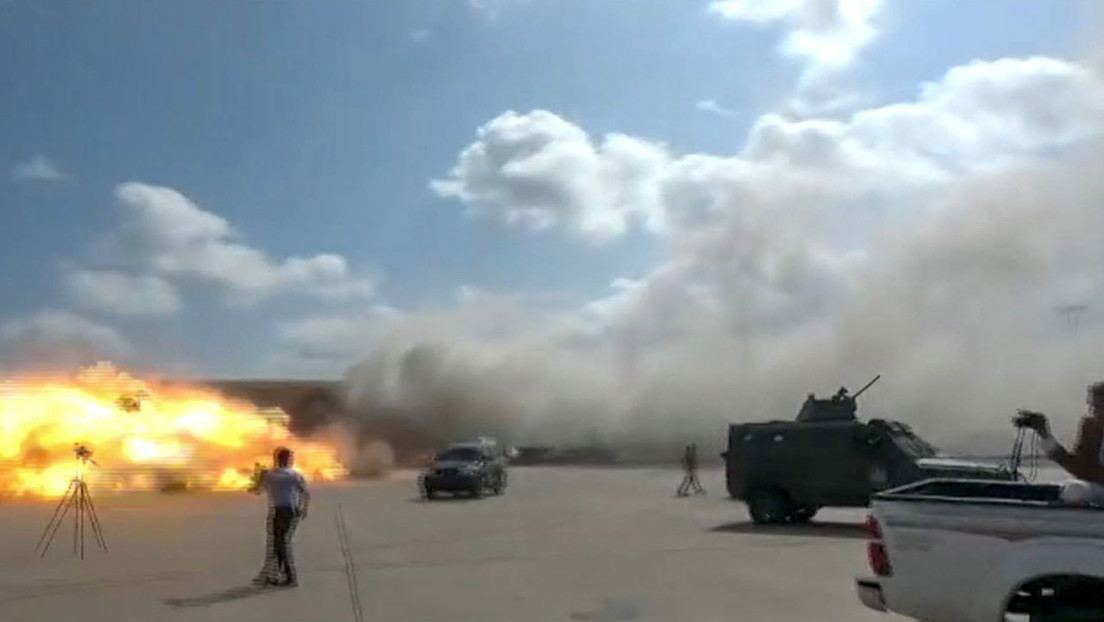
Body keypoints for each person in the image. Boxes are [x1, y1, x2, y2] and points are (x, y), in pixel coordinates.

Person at [1015, 381, 1104, 506]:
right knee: (1070, 490)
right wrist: (1044, 434)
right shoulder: (1090, 427)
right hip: (1097, 490)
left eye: (1098, 408)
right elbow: (1078, 466)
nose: (1093, 412)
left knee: (1075, 491)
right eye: (1092, 407)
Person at [252, 447, 310, 587]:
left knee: (280, 543)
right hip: (291, 511)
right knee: (280, 542)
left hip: (279, 511)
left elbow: (257, 491)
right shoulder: (295, 475)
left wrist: (260, 477)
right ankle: (276, 575)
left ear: (276, 459)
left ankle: (289, 577)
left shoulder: (270, 475)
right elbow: (305, 494)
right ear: (289, 459)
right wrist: (303, 509)